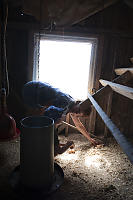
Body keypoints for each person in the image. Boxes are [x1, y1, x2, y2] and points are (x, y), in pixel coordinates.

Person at [22, 81, 99, 156]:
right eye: (78, 111)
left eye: (78, 114)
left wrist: (90, 139)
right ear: (78, 103)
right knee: (33, 118)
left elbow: (78, 125)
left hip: (35, 88)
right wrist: (42, 119)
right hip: (32, 90)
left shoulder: (71, 106)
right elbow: (47, 104)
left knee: (51, 121)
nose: (75, 113)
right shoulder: (66, 103)